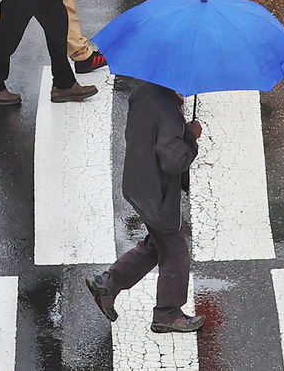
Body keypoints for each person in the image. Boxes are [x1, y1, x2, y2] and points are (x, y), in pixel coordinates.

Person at [87, 81, 205, 335]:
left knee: (158, 244)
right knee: (175, 251)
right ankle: (168, 314)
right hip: (157, 191)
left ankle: (108, 283)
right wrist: (190, 137)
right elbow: (174, 160)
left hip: (138, 179)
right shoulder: (167, 109)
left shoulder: (145, 91)